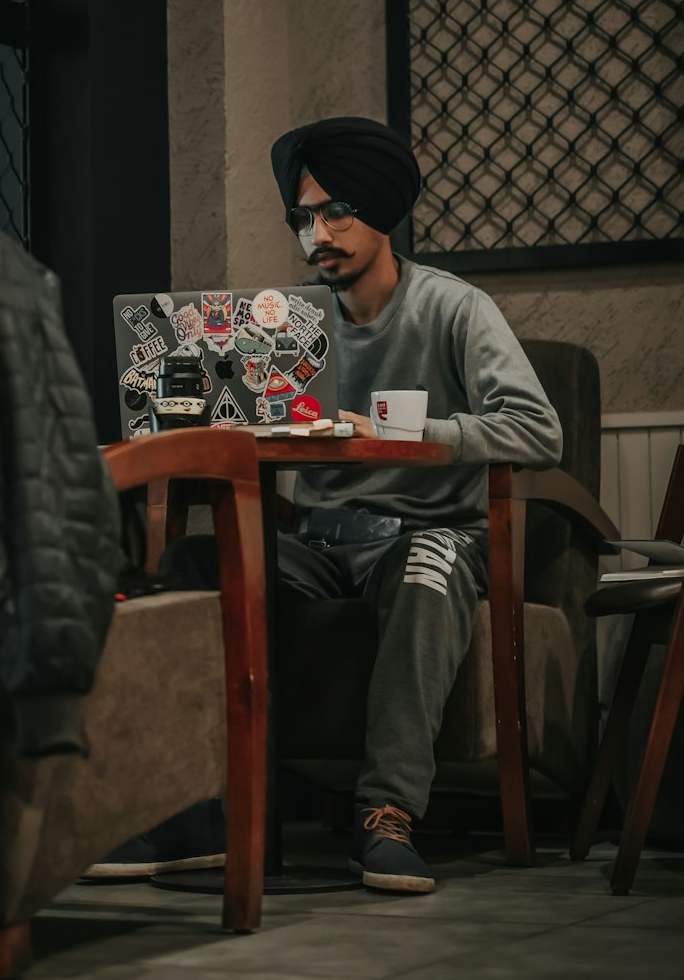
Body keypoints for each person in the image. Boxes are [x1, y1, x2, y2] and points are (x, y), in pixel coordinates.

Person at [90, 116, 562, 894]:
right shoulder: (286, 323)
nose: (319, 233)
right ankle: (192, 811)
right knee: (190, 562)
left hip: (428, 532)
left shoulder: (454, 308)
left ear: (381, 211)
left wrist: (382, 427)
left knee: (428, 564)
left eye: (337, 212)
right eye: (304, 218)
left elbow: (536, 429)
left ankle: (387, 815)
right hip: (318, 540)